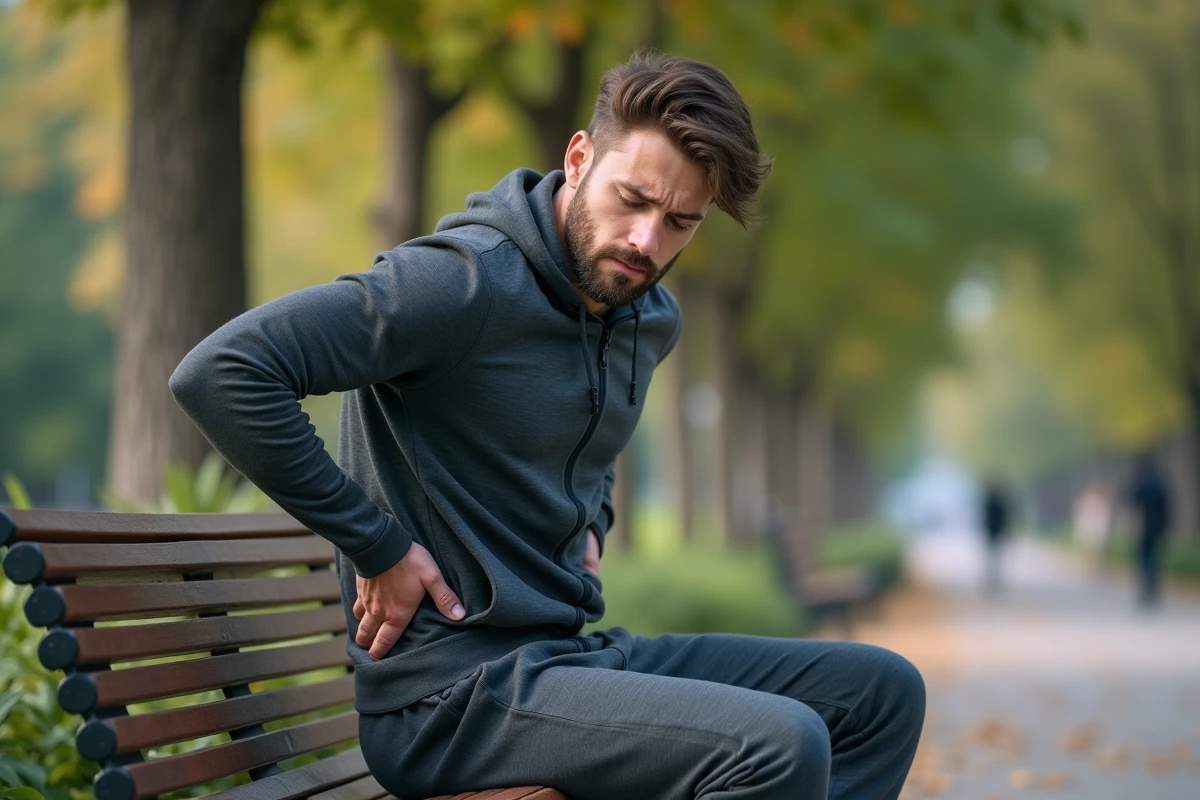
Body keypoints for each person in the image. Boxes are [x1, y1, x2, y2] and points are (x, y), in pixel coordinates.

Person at [170, 51, 924, 800]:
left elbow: (591, 444)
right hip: (447, 702)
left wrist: (594, 520)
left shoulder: (648, 318)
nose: (647, 241)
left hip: (568, 663)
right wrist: (377, 543)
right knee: (781, 745)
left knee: (880, 694)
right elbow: (224, 371)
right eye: (633, 199)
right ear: (579, 157)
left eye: (680, 222)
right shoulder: (460, 283)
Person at [1127, 453, 1171, 609]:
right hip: (1157, 527)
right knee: (1154, 558)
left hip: (1142, 528)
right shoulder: (1160, 484)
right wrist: (1166, 527)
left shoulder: (1140, 483)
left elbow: (1132, 503)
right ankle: (1153, 588)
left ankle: (1146, 589)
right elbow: (1166, 507)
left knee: (1144, 558)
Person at [980, 481, 1011, 593]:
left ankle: (993, 577)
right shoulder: (992, 502)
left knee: (994, 556)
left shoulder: (992, 502)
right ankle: (992, 577)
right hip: (993, 532)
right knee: (993, 557)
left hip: (994, 532)